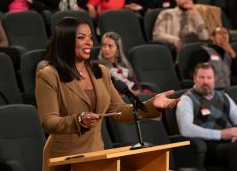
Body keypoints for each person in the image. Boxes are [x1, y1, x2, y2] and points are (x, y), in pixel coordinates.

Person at [35, 17, 179, 171]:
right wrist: (78, 120)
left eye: (90, 37)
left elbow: (119, 111)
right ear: (66, 40)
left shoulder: (101, 72)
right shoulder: (49, 75)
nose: (89, 42)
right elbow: (48, 121)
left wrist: (151, 105)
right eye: (81, 38)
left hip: (97, 156)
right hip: (64, 159)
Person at [176, 62, 237, 171]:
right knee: (236, 149)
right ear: (195, 78)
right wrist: (221, 134)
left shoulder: (223, 96)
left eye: (209, 78)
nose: (205, 81)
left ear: (214, 79)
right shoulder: (187, 99)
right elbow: (185, 129)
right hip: (208, 146)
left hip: (231, 141)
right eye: (201, 77)